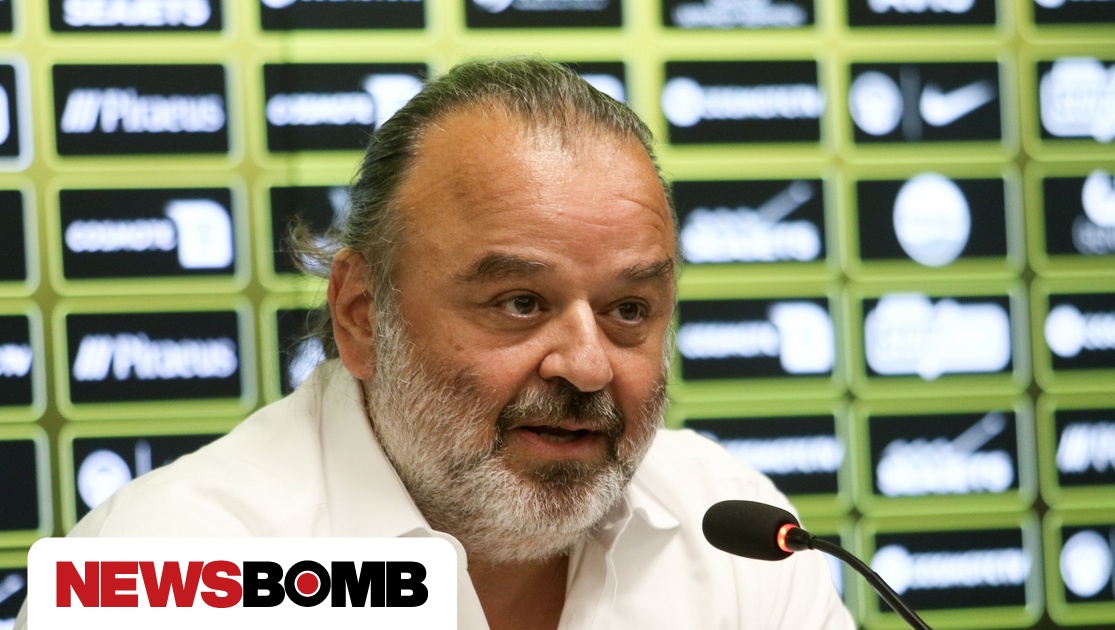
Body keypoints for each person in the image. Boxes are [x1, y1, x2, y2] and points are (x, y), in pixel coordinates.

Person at [19, 58, 853, 629]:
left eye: (629, 310)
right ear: (361, 316)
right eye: (520, 303)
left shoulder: (732, 534)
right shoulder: (165, 571)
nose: (588, 365)